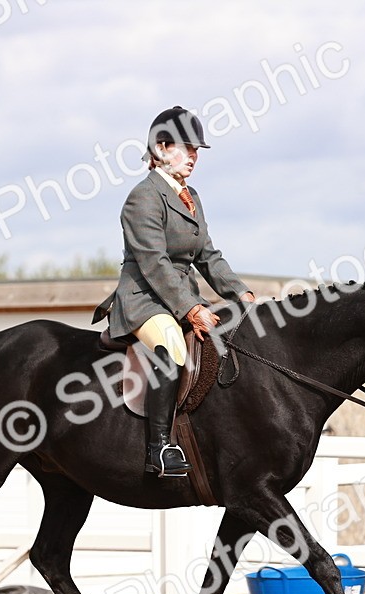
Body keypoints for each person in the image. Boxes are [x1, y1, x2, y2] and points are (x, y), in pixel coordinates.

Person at [94, 106, 256, 478]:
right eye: (188, 148)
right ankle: (159, 449)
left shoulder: (190, 195)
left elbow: (208, 256)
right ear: (163, 148)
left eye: (197, 150)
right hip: (144, 299)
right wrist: (191, 309)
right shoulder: (143, 198)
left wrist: (242, 295)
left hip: (180, 296)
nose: (195, 156)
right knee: (172, 345)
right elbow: (154, 263)